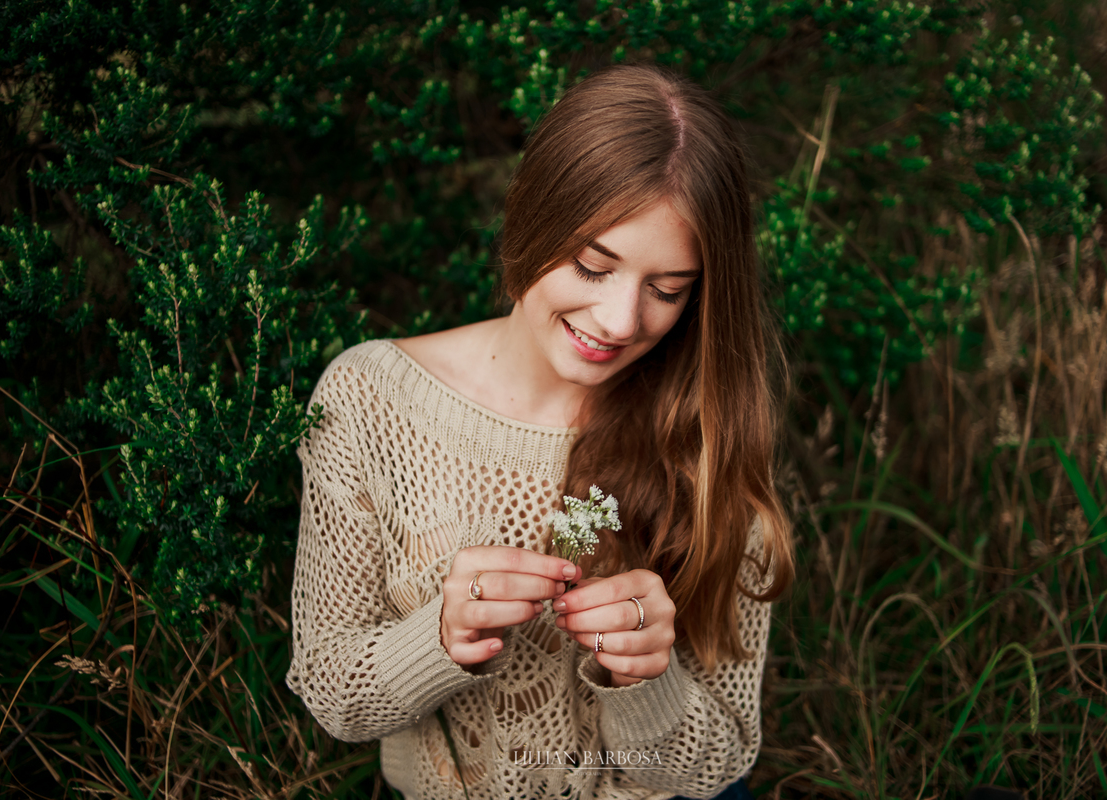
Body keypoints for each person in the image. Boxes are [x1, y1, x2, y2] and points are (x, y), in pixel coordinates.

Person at [286, 64, 794, 800]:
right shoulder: (371, 401)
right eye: (594, 266)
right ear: (534, 219)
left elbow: (717, 766)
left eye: (667, 290)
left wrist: (648, 677)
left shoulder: (705, 431)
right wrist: (441, 637)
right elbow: (333, 695)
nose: (623, 322)